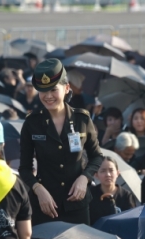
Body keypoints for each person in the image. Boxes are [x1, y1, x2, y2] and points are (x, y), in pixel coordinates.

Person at [19, 58, 103, 227]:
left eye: (53, 90)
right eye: (43, 91)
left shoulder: (82, 119)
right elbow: (25, 169)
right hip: (45, 206)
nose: (48, 96)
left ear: (66, 88)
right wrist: (38, 189)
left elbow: (97, 157)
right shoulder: (32, 123)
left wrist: (84, 178)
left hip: (77, 205)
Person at [89, 156, 136, 225]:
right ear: (96, 175)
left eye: (111, 170)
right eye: (103, 171)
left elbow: (131, 220)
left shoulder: (126, 195)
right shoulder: (91, 194)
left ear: (117, 173)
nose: (108, 174)